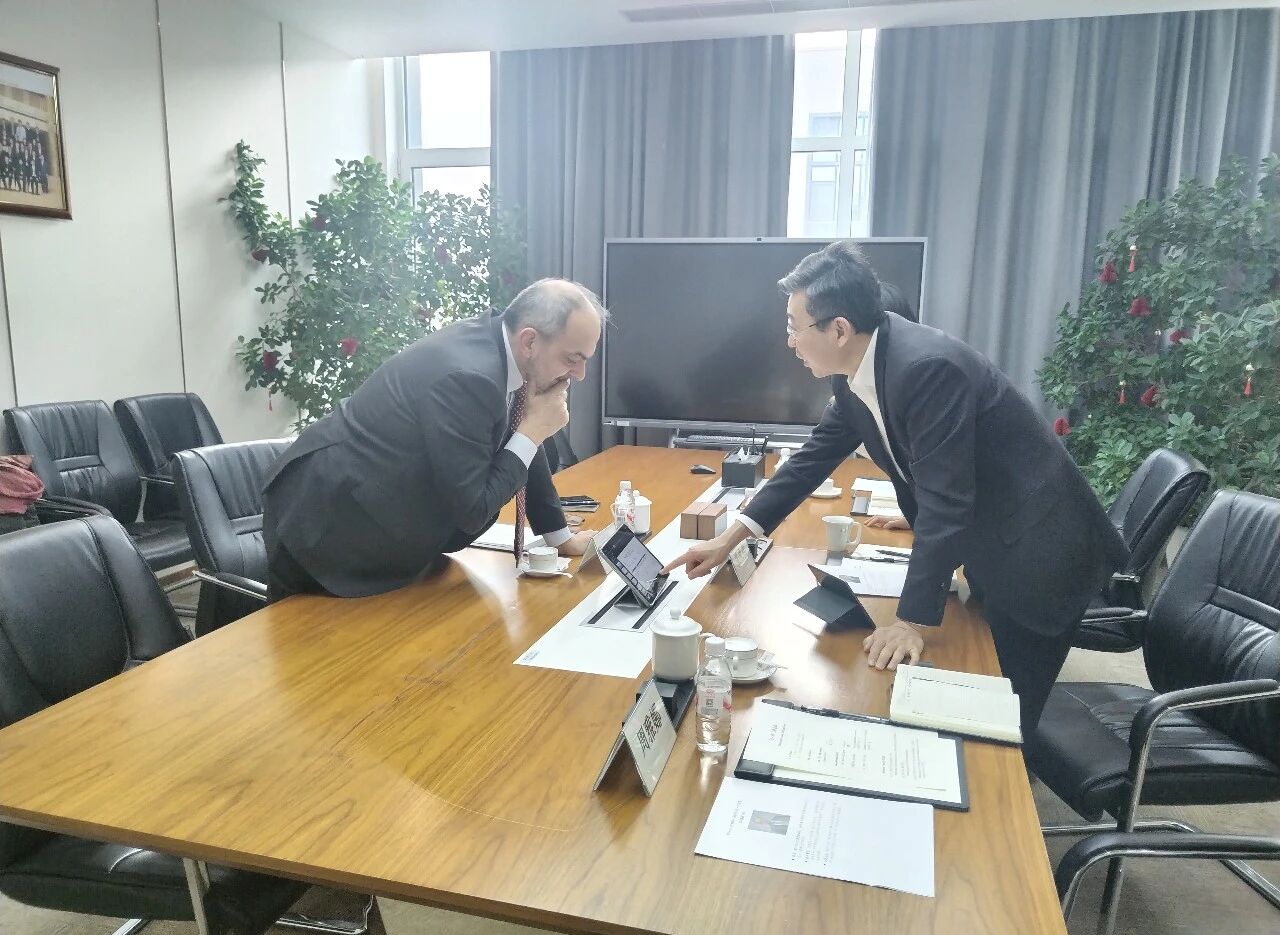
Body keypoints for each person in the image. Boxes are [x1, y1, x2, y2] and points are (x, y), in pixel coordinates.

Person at [664, 241, 1127, 734]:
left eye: (794, 327)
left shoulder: (927, 368)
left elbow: (947, 502)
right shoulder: (857, 368)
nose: (790, 342)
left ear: (839, 329)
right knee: (974, 689)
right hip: (997, 538)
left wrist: (911, 623)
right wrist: (731, 538)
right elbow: (810, 462)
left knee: (1003, 722)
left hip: (1040, 556)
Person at [262, 278, 603, 600]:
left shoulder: (504, 350)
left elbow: (519, 433)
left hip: (383, 519)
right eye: (572, 359)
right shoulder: (468, 376)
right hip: (327, 530)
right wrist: (533, 431)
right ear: (530, 341)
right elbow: (474, 507)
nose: (580, 374)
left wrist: (559, 537)